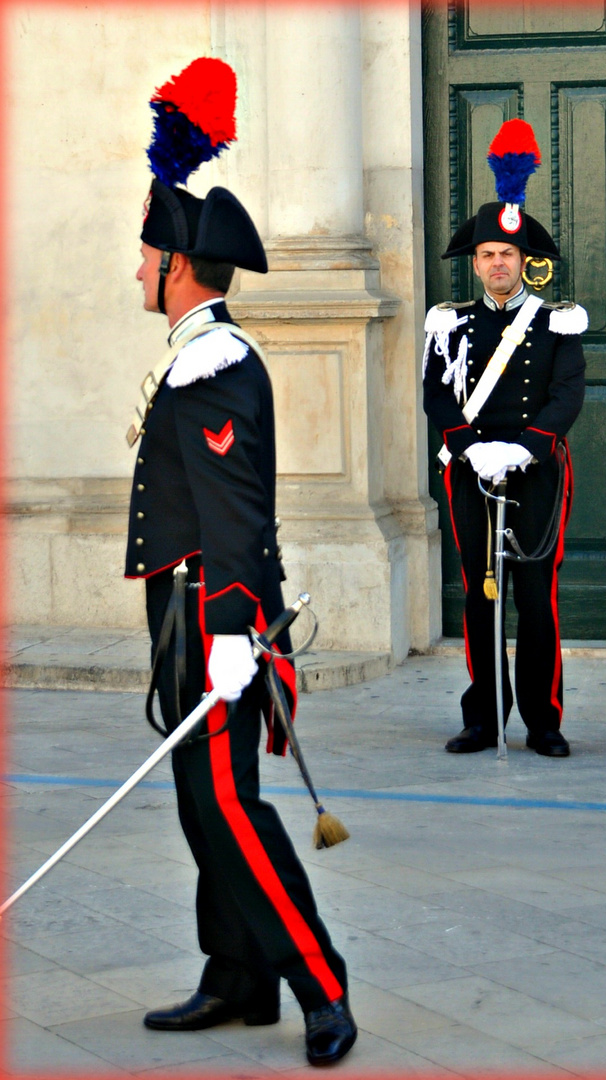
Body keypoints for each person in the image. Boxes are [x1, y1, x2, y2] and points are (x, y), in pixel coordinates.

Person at [124, 59, 356, 1067]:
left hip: (212, 624)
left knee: (227, 805)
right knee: (197, 801)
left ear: (179, 266)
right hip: (189, 621)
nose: (135, 273)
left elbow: (230, 516)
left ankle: (319, 982)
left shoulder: (212, 363)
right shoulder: (190, 353)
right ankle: (237, 974)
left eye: (144, 258)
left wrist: (229, 639)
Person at [423, 120, 587, 758]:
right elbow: (437, 394)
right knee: (479, 593)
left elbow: (566, 393)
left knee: (536, 599)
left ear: (525, 263)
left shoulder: (556, 323)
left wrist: (527, 446)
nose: (498, 264)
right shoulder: (450, 324)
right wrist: (470, 447)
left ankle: (543, 722)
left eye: (508, 255)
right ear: (476, 263)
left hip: (537, 472)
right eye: (488, 254)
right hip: (470, 472)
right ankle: (484, 718)